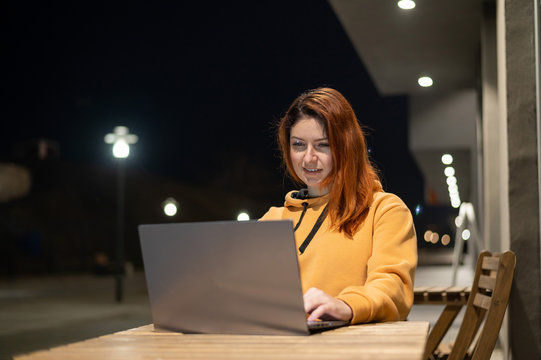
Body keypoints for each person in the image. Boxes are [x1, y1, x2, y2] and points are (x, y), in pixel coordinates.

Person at [260, 87, 417, 324]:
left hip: (350, 345)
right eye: (299, 145)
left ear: (347, 145)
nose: (309, 158)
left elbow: (392, 288)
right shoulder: (274, 219)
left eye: (323, 145)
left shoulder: (384, 210)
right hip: (280, 342)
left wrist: (346, 306)